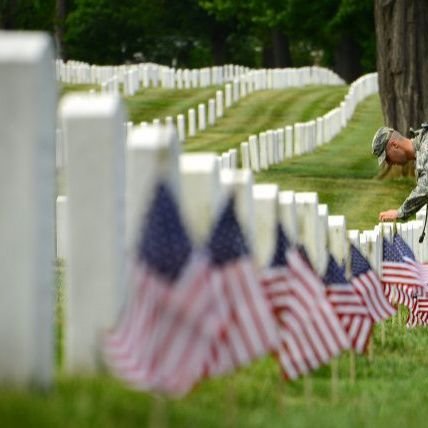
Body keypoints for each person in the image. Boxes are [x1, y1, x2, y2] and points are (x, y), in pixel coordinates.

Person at [371, 125, 428, 221]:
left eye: (387, 158)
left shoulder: (425, 146)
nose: (389, 163)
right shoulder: (421, 149)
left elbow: (425, 187)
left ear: (395, 145)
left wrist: (400, 212)